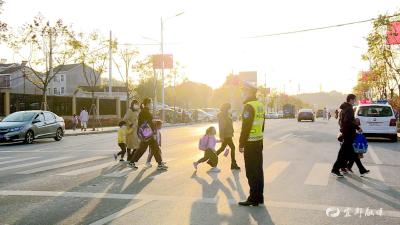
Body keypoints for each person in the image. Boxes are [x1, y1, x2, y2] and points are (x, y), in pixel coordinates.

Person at [238, 81, 265, 207]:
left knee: (251, 171)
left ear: (249, 92)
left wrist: (241, 143)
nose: (242, 93)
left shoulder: (249, 106)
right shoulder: (259, 105)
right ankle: (259, 197)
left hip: (250, 143)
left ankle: (253, 198)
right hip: (259, 142)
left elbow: (246, 127)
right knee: (258, 170)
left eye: (243, 91)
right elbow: (262, 124)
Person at [331, 94, 367, 177]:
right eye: (354, 100)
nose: (355, 101)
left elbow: (342, 121)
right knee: (342, 153)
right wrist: (357, 127)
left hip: (346, 133)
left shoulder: (344, 109)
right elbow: (348, 121)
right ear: (351, 100)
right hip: (348, 134)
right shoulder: (349, 109)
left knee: (353, 152)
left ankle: (361, 169)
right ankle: (335, 169)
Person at [128, 98, 168, 170]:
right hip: (146, 133)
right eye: (151, 103)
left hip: (146, 133)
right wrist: (154, 132)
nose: (152, 104)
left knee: (154, 147)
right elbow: (149, 123)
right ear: (147, 104)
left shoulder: (145, 111)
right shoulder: (145, 111)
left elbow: (147, 122)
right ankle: (132, 162)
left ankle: (159, 164)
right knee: (143, 149)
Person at [215, 103, 240, 170]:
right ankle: (233, 164)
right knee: (233, 147)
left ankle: (211, 159)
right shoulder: (222, 115)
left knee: (222, 148)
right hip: (226, 135)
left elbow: (229, 123)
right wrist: (221, 137)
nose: (229, 109)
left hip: (229, 134)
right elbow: (221, 126)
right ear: (226, 108)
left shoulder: (227, 114)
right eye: (229, 108)